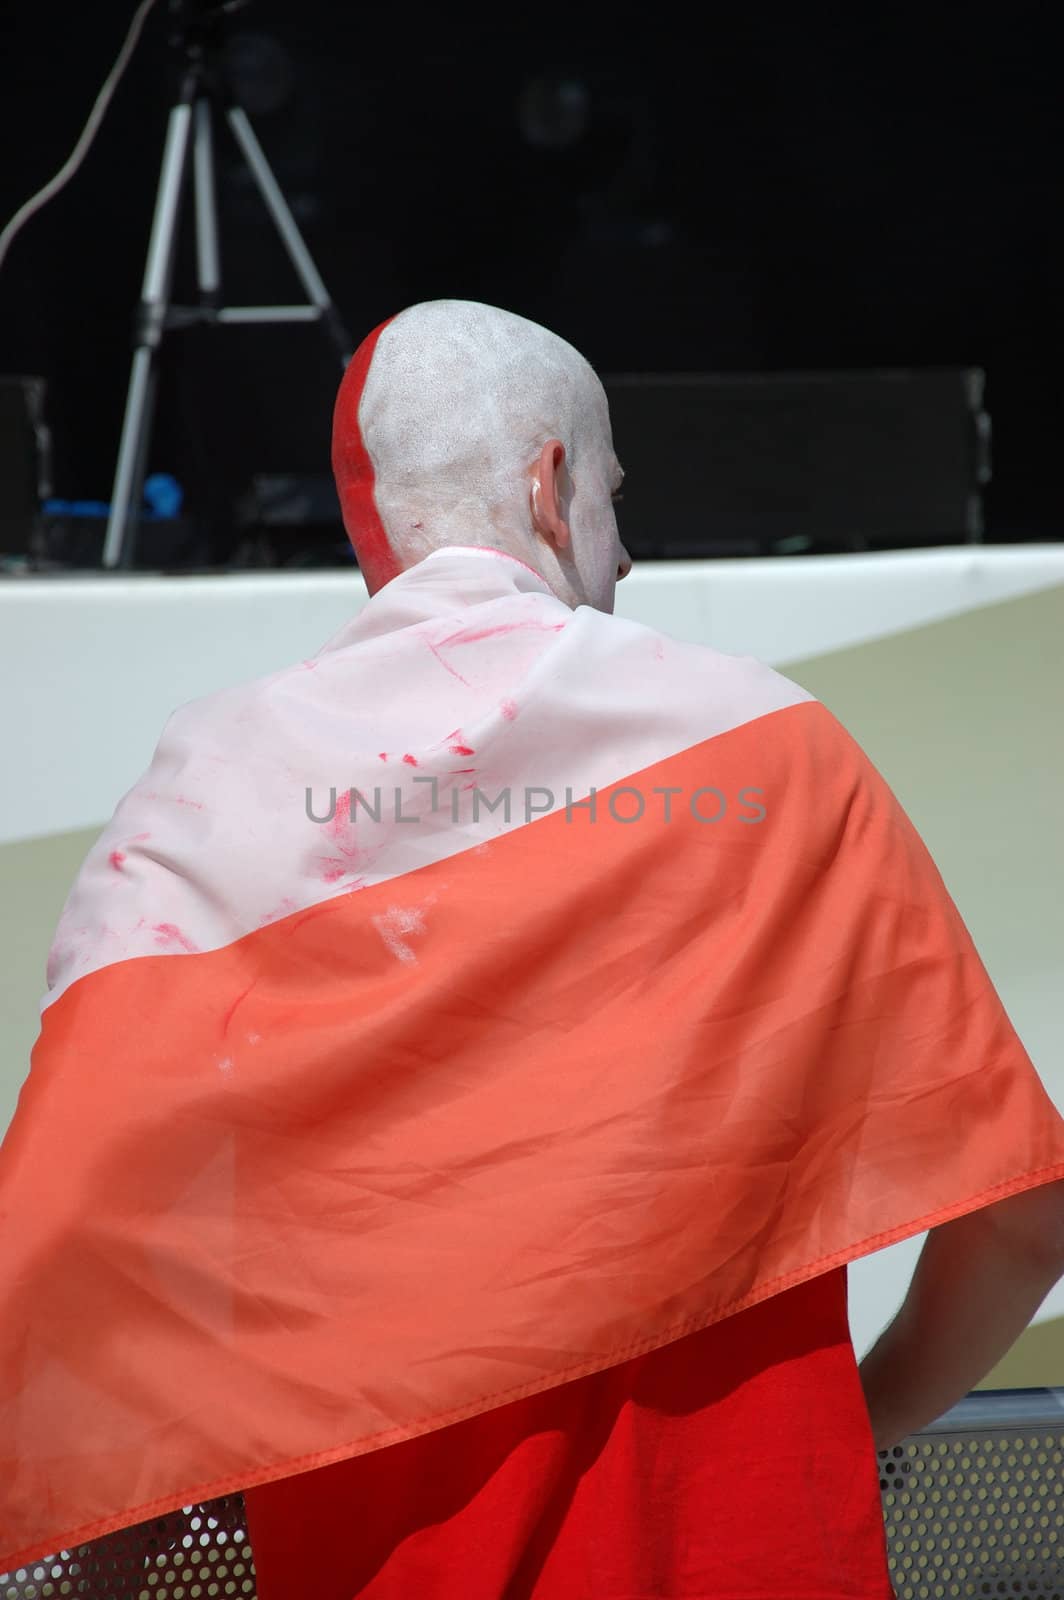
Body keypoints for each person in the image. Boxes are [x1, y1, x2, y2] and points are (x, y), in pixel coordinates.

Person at [1, 301, 1063, 1599]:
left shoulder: (213, 789)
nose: (627, 560)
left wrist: (125, 1520)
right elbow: (1026, 1216)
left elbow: (91, 1220)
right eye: (616, 496)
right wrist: (870, 1415)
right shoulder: (770, 754)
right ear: (552, 488)